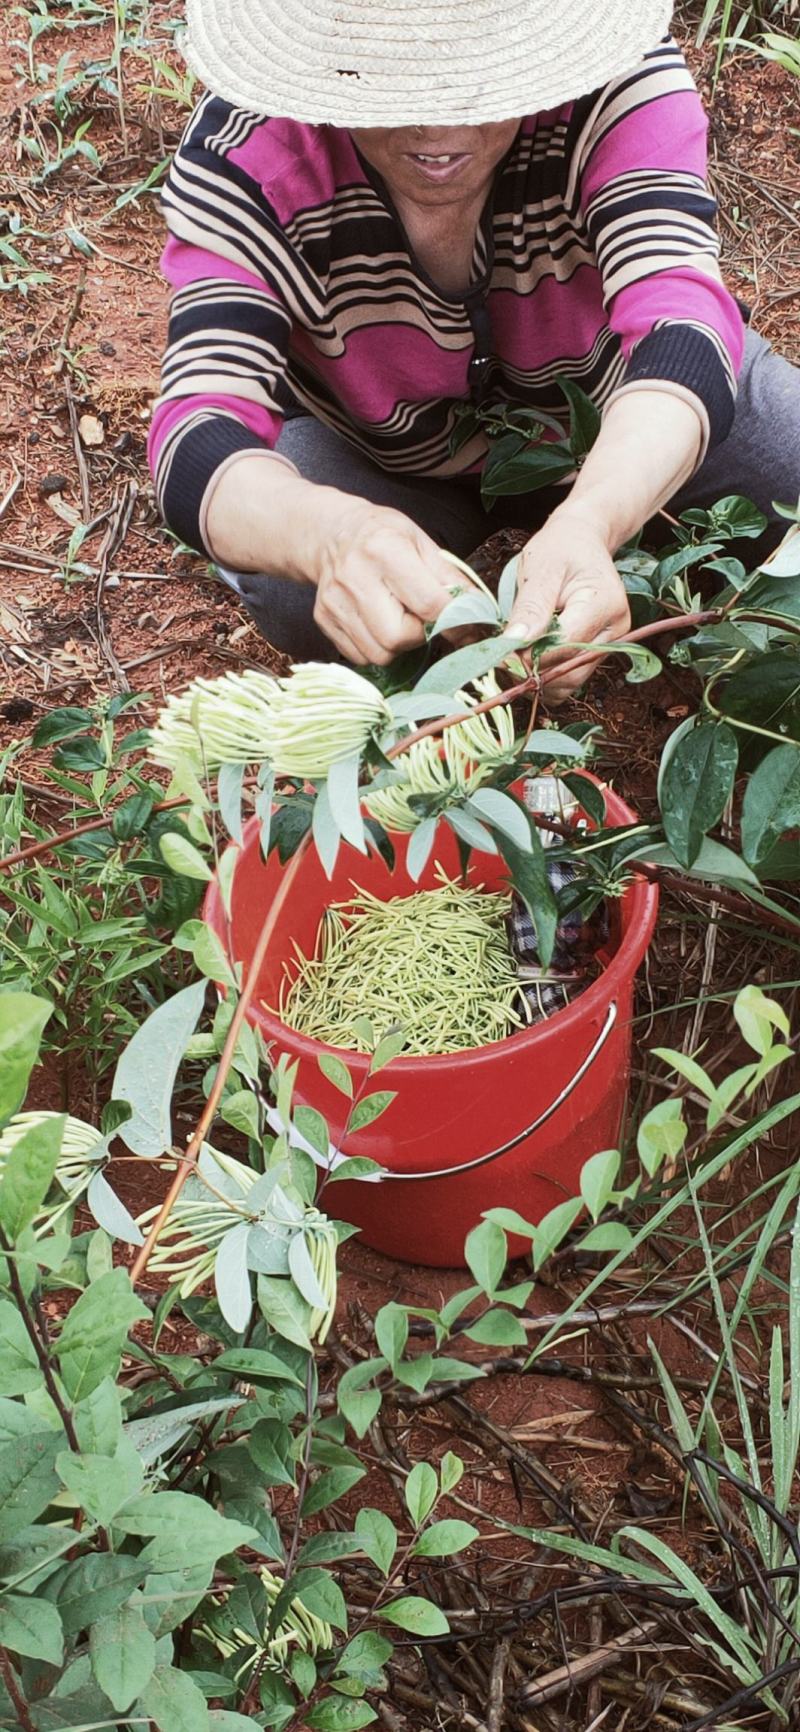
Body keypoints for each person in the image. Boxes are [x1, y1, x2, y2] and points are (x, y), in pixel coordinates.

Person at [149, 0, 800, 698]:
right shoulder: (249, 152)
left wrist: (593, 516)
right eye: (390, 82)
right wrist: (332, 537)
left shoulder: (617, 86)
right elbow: (197, 433)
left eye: (476, 83)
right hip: (379, 455)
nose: (438, 128)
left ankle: (635, 556)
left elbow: (684, 330)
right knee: (295, 594)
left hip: (616, 414)